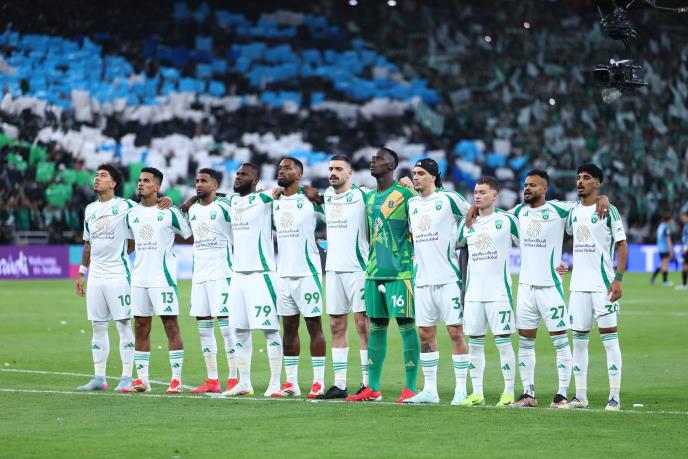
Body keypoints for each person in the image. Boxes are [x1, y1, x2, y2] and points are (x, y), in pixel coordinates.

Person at [508, 170, 608, 409]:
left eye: (533, 185)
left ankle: (561, 394)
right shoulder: (517, 212)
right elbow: (491, 216)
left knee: (561, 342)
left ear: (545, 189)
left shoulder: (560, 209)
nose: (527, 188)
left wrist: (603, 198)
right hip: (525, 288)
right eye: (526, 184)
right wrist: (474, 209)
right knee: (525, 343)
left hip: (550, 287)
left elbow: (586, 204)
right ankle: (528, 393)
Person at [346, 147, 420, 403]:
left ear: (392, 166)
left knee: (406, 326)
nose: (373, 161)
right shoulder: (368, 198)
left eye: (379, 158)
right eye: (373, 158)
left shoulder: (406, 194)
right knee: (376, 327)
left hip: (400, 273)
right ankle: (373, 388)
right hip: (374, 271)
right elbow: (368, 234)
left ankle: (410, 388)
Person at [403, 159, 471, 405]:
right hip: (422, 280)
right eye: (414, 173)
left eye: (421, 173)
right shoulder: (412, 204)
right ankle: (430, 390)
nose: (416, 177)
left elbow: (473, 215)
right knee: (425, 334)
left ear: (433, 176)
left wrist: (462, 239)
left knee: (455, 331)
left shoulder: (449, 199)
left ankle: (461, 390)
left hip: (448, 278)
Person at [121, 168, 192, 393]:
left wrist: (176, 206)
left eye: (146, 180)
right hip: (139, 278)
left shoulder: (169, 212)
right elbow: (130, 243)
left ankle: (176, 380)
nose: (140, 183)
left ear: (157, 187)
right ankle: (142, 380)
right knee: (141, 327)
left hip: (163, 278)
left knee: (170, 325)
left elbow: (188, 233)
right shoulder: (131, 213)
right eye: (139, 180)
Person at [566, 163, 628, 411]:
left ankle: (614, 397)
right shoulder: (572, 211)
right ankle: (580, 396)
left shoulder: (608, 210)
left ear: (597, 183)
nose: (580, 181)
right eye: (578, 177)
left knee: (609, 341)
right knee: (579, 342)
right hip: (577, 288)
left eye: (586, 177)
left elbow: (622, 245)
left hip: (603, 286)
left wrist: (618, 278)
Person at [457, 177, 519, 407]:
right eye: (475, 192)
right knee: (474, 344)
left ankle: (509, 392)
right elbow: (455, 243)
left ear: (495, 195)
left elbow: (529, 244)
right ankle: (477, 393)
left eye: (482, 192)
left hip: (498, 294)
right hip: (473, 294)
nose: (477, 196)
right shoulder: (468, 223)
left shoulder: (506, 220)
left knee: (503, 343)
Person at [222, 163, 283, 397]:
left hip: (261, 274)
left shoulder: (265, 198)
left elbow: (283, 191)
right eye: (237, 174)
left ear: (256, 181)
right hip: (238, 275)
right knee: (239, 331)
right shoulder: (232, 201)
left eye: (244, 174)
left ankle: (275, 383)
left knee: (270, 331)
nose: (238, 177)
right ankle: (244, 383)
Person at [76, 164, 139, 392]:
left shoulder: (126, 206)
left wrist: (119, 254)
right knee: (98, 326)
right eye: (96, 175)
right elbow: (88, 243)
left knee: (123, 324)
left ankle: (126, 377)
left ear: (113, 183)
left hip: (118, 274)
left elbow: (141, 227)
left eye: (102, 175)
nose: (96, 178)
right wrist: (82, 272)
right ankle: (99, 378)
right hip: (96, 277)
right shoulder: (90, 209)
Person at [269, 157, 327, 398]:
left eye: (288, 168)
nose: (281, 171)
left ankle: (318, 382)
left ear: (299, 174)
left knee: (314, 326)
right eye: (280, 168)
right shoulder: (274, 202)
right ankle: (291, 383)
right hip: (283, 274)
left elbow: (334, 218)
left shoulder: (311, 200)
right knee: (289, 328)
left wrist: (320, 198)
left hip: (307, 273)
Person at [319, 155, 370, 399]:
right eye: (331, 168)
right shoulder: (325, 196)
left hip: (358, 269)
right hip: (333, 270)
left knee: (363, 326)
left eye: (339, 169)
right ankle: (340, 384)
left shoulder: (363, 195)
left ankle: (368, 383)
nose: (333, 172)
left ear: (349, 173)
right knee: (336, 325)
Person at [185, 169, 239, 394]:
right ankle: (212, 379)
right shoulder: (192, 209)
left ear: (215, 185)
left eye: (204, 181)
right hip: (199, 277)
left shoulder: (225, 206)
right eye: (197, 181)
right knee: (204, 330)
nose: (198, 184)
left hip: (222, 275)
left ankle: (234, 379)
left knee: (227, 330)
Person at [650, 213, 674, 287]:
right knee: (665, 265)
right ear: (669, 220)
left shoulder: (660, 226)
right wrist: (671, 249)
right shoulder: (666, 227)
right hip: (665, 248)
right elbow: (668, 239)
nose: (672, 221)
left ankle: (653, 277)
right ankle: (665, 281)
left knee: (663, 264)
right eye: (671, 220)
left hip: (660, 248)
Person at [676, 211, 688, 291]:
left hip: (687, 249)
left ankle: (684, 285)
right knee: (685, 266)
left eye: (684, 217)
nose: (682, 219)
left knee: (685, 266)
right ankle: (684, 284)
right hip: (685, 248)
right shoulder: (685, 226)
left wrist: (685, 247)